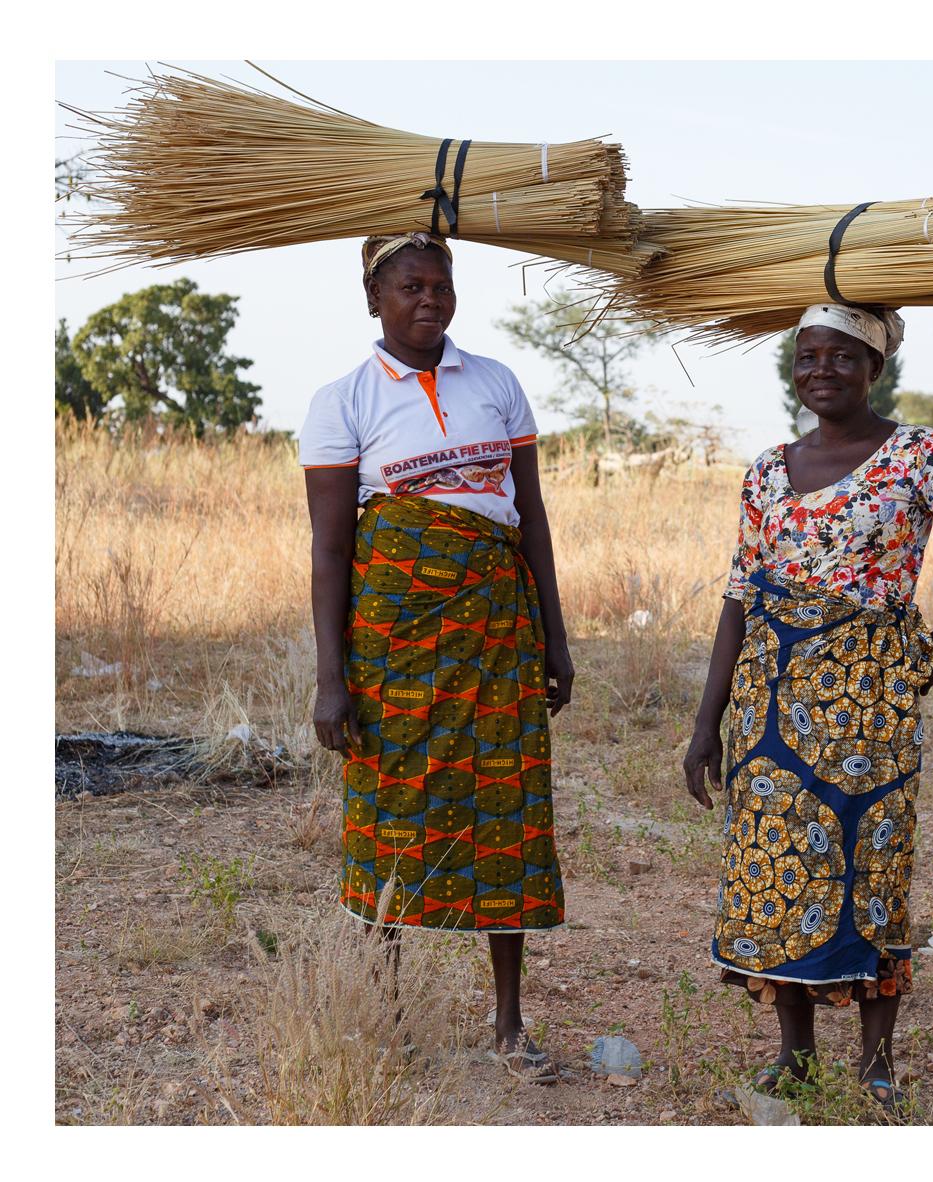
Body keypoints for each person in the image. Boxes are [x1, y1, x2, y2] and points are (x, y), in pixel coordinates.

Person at [682, 302, 933, 1118]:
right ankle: (795, 1055)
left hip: (869, 697)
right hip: (768, 699)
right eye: (808, 356)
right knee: (777, 870)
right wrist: (707, 722)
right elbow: (740, 596)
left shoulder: (915, 456)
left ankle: (876, 1065)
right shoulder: (767, 469)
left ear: (876, 368)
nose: (822, 371)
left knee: (869, 865)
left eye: (843, 357)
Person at [299, 231, 574, 1085]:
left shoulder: (496, 383)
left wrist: (555, 639)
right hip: (395, 640)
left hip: (496, 631)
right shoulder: (341, 400)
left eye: (440, 285)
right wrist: (329, 678)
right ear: (374, 297)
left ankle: (508, 1021)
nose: (429, 300)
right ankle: (384, 1020)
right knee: (392, 818)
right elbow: (331, 548)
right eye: (410, 286)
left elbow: (530, 518)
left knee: (506, 808)